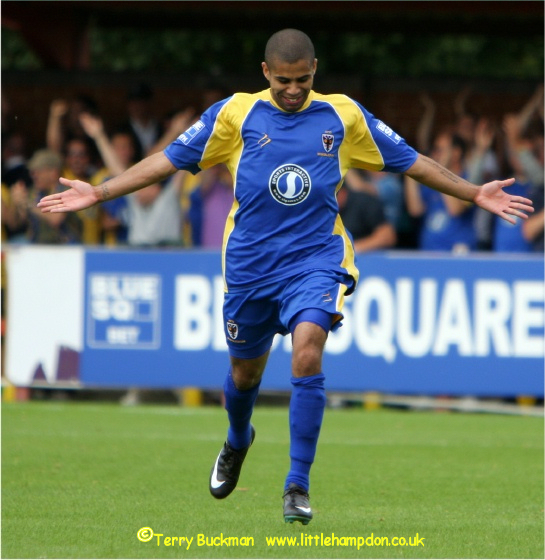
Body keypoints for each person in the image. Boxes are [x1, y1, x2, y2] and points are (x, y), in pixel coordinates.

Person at [37, 29, 534, 525]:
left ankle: (297, 484)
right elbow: (166, 161)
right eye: (283, 82)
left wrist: (473, 193)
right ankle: (238, 439)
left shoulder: (342, 115)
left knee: (308, 348)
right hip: (251, 270)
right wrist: (100, 194)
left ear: (315, 69)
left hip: (316, 260)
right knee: (244, 376)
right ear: (265, 74)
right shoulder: (235, 114)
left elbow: (410, 161)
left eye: (302, 79)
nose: (293, 90)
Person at [339, 169, 397, 252]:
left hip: (369, 260)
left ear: (343, 192)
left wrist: (350, 249)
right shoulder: (322, 207)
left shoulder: (364, 202)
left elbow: (387, 236)